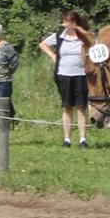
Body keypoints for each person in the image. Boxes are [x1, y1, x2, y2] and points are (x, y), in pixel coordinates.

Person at [39, 10, 90, 148]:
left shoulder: (83, 36)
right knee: (67, 106)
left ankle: (82, 139)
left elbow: (93, 47)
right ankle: (67, 139)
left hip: (81, 75)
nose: (64, 24)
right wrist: (52, 55)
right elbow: (43, 44)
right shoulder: (59, 36)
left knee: (81, 107)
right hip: (63, 75)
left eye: (67, 21)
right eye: (64, 21)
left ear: (74, 23)